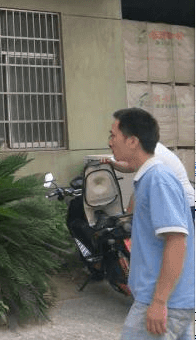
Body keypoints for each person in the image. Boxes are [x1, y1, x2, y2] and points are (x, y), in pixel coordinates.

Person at [108, 108, 194, 340]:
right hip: (172, 302)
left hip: (163, 303)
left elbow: (177, 242)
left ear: (132, 141)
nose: (110, 142)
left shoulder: (158, 179)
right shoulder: (150, 177)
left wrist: (159, 302)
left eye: (113, 135)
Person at [102, 142, 195, 218]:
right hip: (175, 203)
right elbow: (131, 167)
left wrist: (126, 218)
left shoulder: (151, 155)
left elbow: (139, 191)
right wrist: (113, 164)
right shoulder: (149, 148)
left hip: (181, 205)